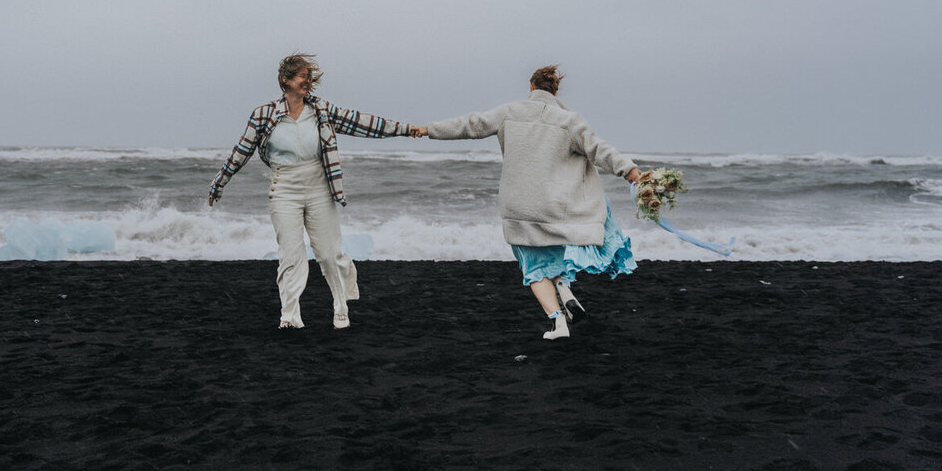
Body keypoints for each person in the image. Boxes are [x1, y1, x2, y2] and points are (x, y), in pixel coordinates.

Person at [413, 65, 642, 340]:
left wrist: (428, 129)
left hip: (520, 207)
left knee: (534, 267)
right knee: (556, 254)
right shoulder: (570, 120)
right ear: (555, 91)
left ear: (531, 88)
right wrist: (629, 171)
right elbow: (598, 149)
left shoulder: (509, 112)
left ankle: (558, 324)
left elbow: (470, 125)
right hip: (556, 206)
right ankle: (566, 292)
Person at [209, 53, 421, 331]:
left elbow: (364, 123)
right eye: (302, 76)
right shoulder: (264, 114)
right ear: (286, 80)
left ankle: (340, 307)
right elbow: (242, 151)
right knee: (290, 254)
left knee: (329, 252)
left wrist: (406, 130)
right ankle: (290, 315)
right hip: (284, 187)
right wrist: (219, 182)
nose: (307, 81)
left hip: (320, 186)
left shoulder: (321, 110)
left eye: (309, 77)